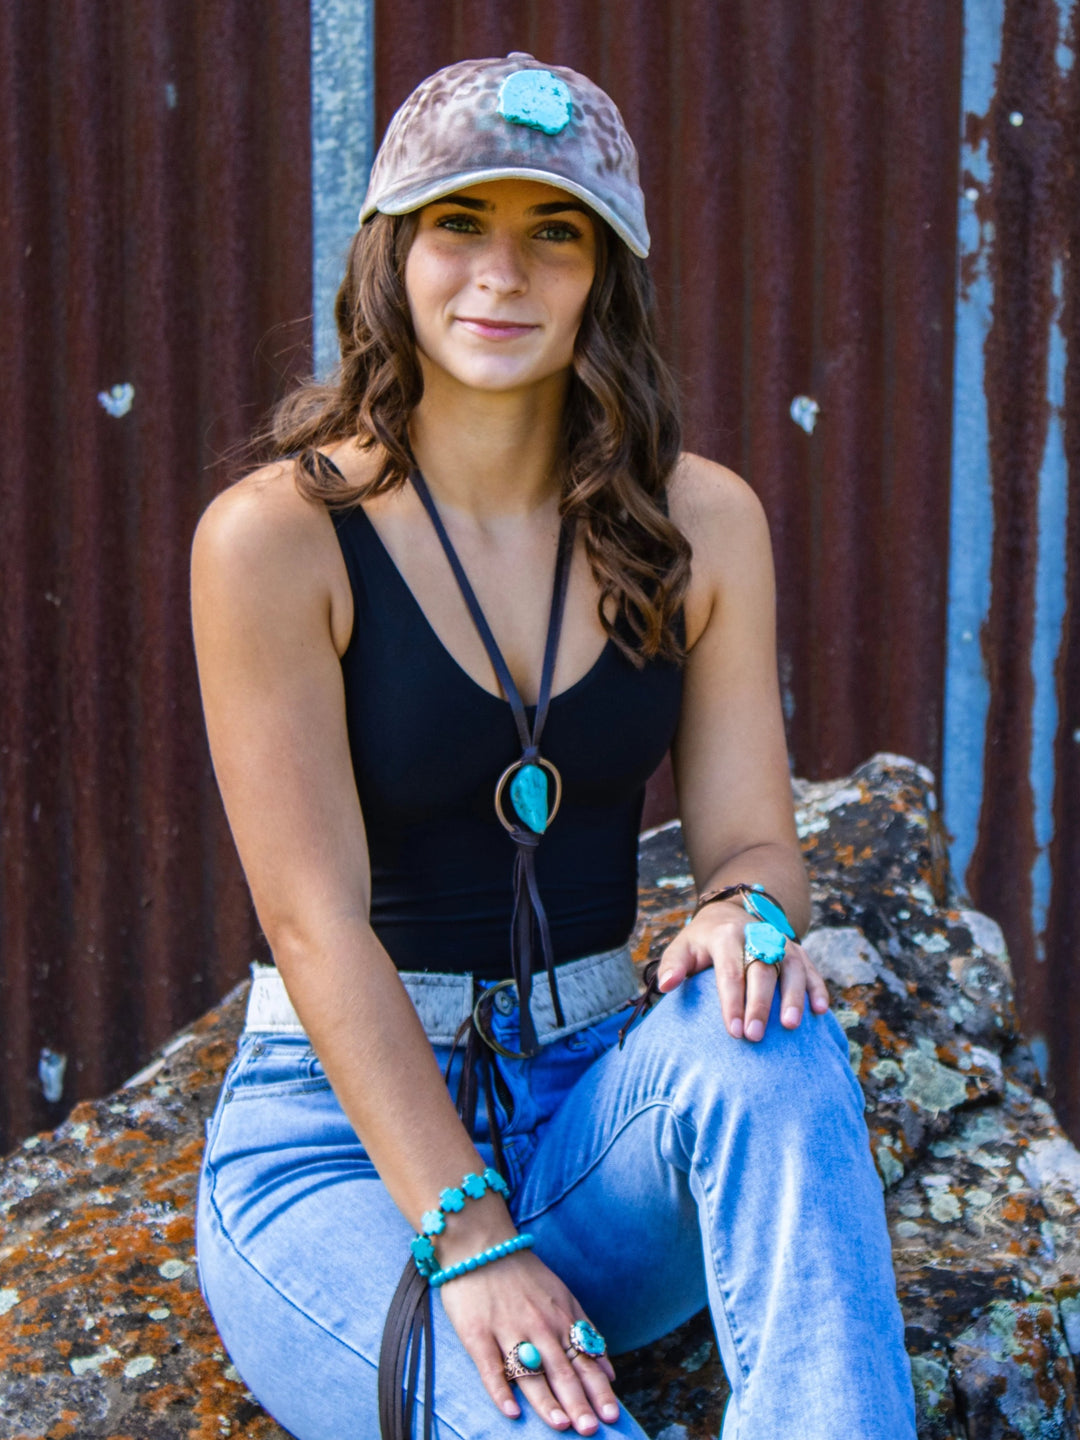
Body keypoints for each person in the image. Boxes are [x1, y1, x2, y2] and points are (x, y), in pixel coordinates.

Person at [191, 53, 916, 1440]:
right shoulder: (277, 540)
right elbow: (311, 920)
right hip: (342, 1151)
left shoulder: (704, 524)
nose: (502, 274)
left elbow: (752, 843)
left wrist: (746, 916)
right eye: (461, 223)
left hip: (598, 1116)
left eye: (555, 233)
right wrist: (468, 1232)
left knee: (772, 1030)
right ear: (393, 255)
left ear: (605, 276)